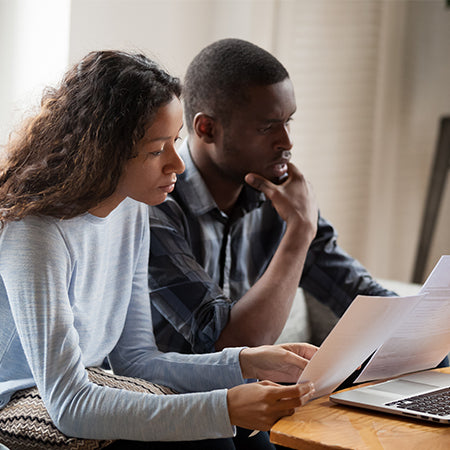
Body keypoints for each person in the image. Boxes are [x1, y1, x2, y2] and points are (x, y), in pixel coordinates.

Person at [0, 50, 317, 449]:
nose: (177, 165)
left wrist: (249, 362)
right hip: (22, 403)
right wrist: (225, 407)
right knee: (216, 435)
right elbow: (68, 401)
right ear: (104, 151)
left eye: (175, 142)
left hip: (85, 389)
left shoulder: (132, 212)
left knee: (252, 437)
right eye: (156, 150)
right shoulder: (35, 234)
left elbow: (136, 362)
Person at [148, 38, 398, 355]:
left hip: (257, 398)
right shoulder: (156, 206)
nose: (287, 142)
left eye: (288, 121)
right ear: (207, 129)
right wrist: (300, 231)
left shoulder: (276, 198)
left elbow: (358, 294)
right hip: (166, 398)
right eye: (268, 127)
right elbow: (231, 347)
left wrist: (429, 334)